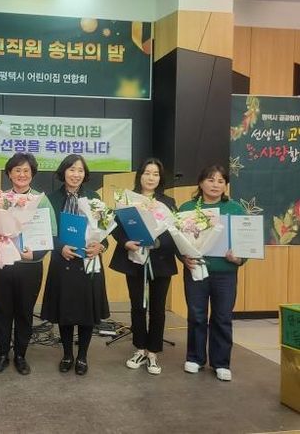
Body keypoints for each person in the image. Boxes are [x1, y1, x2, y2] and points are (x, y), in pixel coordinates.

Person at [41, 154, 110, 376]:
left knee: (86, 313)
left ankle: (82, 356)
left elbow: (105, 233)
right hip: (63, 262)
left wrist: (101, 246)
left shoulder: (94, 198)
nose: (76, 174)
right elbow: (45, 233)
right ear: (63, 172)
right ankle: (67, 354)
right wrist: (60, 247)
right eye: (71, 169)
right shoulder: (51, 199)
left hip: (88, 263)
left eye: (80, 170)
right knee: (66, 311)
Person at [0, 153, 57, 376]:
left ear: (32, 174)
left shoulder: (41, 200)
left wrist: (35, 253)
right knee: (1, 312)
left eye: (26, 170)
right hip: (3, 264)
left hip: (30, 266)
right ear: (9, 174)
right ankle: (1, 354)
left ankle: (20, 355)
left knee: (24, 313)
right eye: (17, 170)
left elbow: (51, 234)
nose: (22, 174)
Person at [109, 157, 177, 375]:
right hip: (134, 259)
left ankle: (153, 352)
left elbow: (174, 231)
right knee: (138, 306)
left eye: (155, 174)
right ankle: (139, 348)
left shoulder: (168, 202)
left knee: (158, 308)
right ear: (140, 175)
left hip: (161, 261)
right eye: (147, 173)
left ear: (160, 178)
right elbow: (115, 227)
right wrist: (125, 242)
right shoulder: (127, 199)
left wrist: (157, 242)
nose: (151, 178)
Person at [179, 164, 245, 382]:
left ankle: (221, 363)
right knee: (196, 315)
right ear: (200, 183)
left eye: (220, 181)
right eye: (210, 180)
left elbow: (246, 242)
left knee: (222, 317)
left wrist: (240, 258)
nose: (215, 185)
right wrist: (183, 257)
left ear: (225, 185)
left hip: (225, 273)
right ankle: (195, 358)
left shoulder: (235, 209)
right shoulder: (187, 208)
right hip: (196, 270)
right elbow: (177, 240)